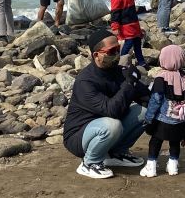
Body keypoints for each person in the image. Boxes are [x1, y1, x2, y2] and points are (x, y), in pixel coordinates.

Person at [63, 29, 150, 179]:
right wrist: (129, 83)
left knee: (146, 111)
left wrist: (170, 103)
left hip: (107, 126)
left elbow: (146, 97)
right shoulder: (86, 81)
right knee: (112, 125)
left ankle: (115, 153)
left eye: (118, 49)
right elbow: (111, 111)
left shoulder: (119, 71)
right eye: (112, 51)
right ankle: (90, 162)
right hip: (79, 135)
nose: (117, 54)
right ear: (96, 55)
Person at [140, 44, 185, 178]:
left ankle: (151, 167)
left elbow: (156, 99)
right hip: (180, 119)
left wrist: (149, 117)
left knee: (155, 141)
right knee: (175, 142)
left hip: (162, 119)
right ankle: (172, 166)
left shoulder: (161, 78)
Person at [110, 0, 147, 67]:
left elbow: (132, 11)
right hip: (125, 25)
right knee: (129, 43)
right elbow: (115, 12)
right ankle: (122, 63)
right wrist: (115, 27)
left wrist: (139, 27)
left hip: (134, 23)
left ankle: (141, 62)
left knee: (137, 43)